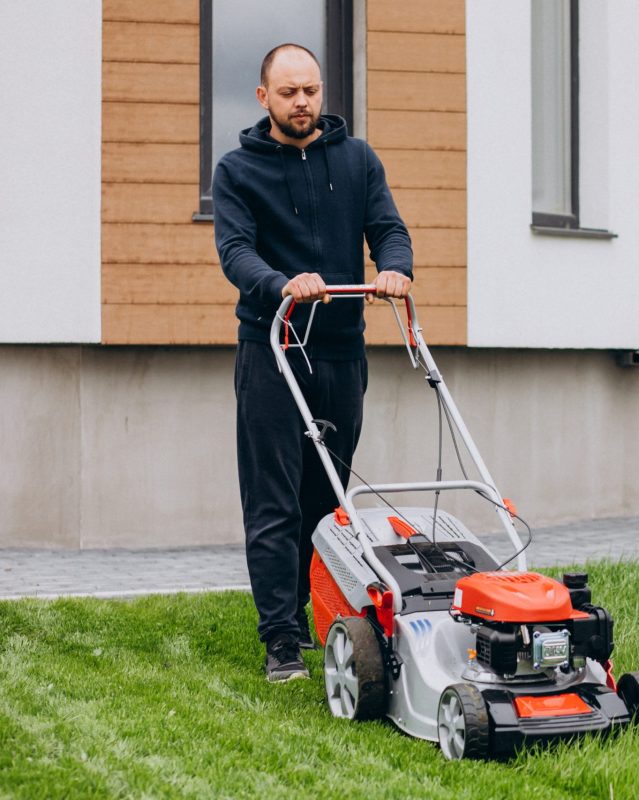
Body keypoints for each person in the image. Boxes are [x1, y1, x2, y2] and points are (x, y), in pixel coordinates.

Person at [212, 43, 413, 682]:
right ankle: (279, 638)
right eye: (289, 92)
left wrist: (394, 268)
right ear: (263, 97)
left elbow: (389, 228)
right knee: (274, 499)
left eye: (311, 91)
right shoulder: (238, 170)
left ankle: (313, 611)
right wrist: (280, 283)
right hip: (272, 348)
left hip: (340, 353)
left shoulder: (357, 160)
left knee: (326, 497)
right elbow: (235, 252)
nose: (302, 103)